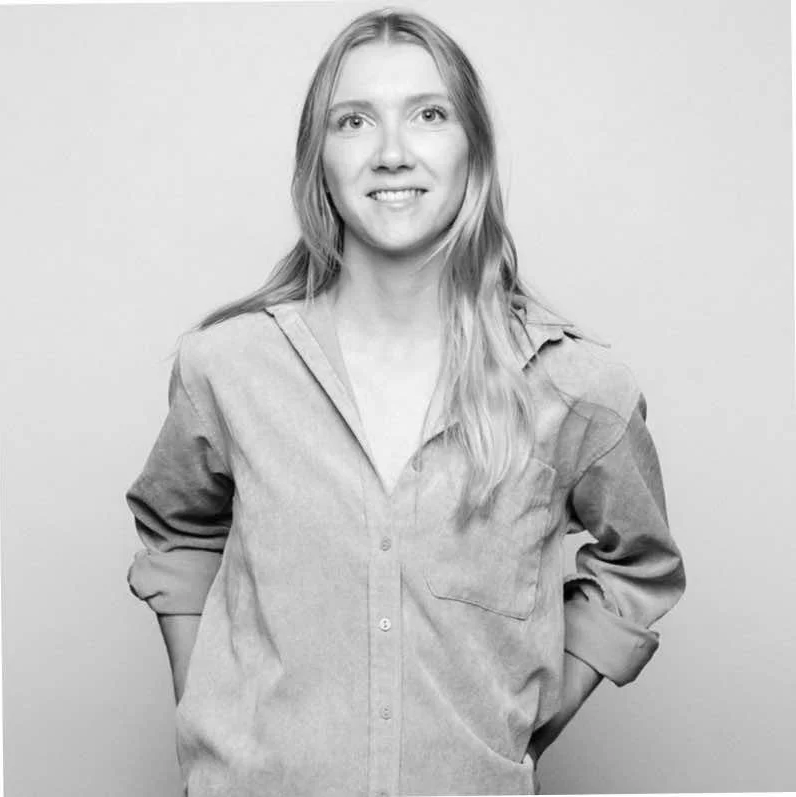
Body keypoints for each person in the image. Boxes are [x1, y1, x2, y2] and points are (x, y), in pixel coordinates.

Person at [125, 8, 686, 797]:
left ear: (472, 149)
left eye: (428, 114)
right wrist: (206, 710)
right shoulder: (226, 367)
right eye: (353, 121)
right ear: (319, 159)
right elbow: (178, 534)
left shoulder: (575, 387)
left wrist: (525, 717)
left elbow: (641, 565)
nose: (391, 151)